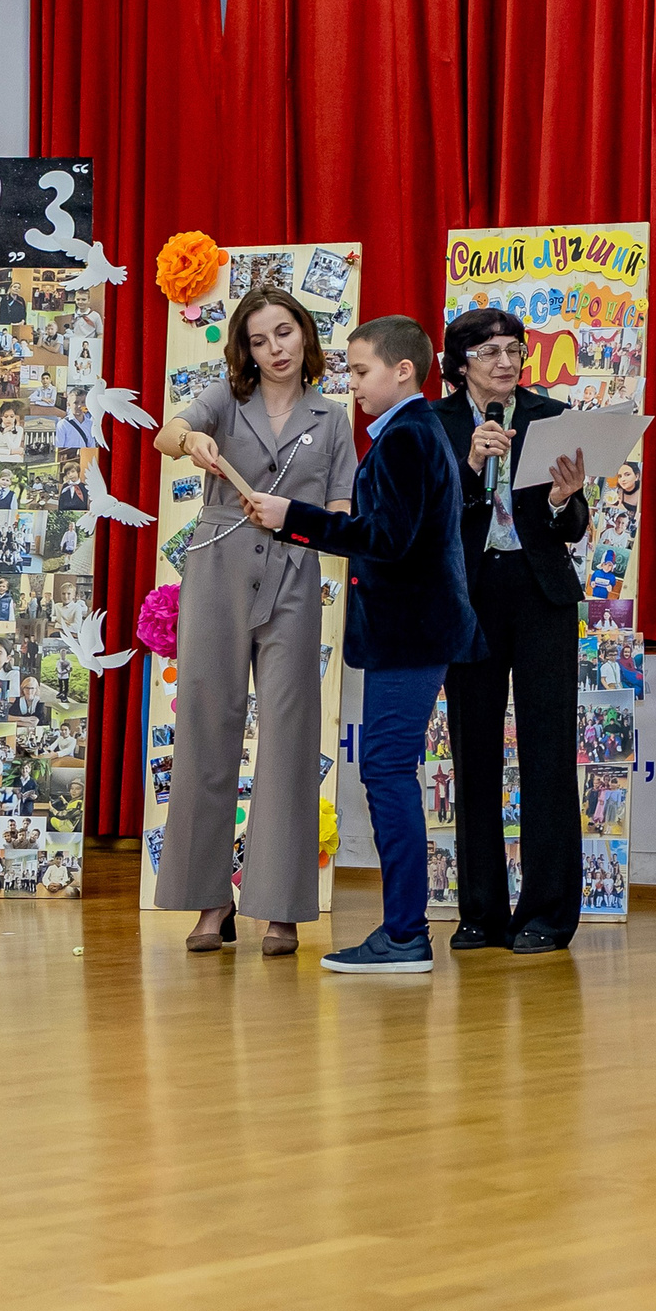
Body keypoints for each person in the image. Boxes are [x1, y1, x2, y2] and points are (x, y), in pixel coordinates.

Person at [247, 314, 484, 976]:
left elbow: (386, 540)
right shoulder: (413, 432)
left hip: (410, 633)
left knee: (385, 772)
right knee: (387, 771)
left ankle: (405, 934)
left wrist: (293, 518)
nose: (350, 384)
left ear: (403, 371)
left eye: (359, 371)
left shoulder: (407, 437)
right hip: (414, 631)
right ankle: (403, 930)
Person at [149, 290, 355, 956]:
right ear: (245, 349)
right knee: (207, 723)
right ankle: (211, 899)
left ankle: (279, 904)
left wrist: (296, 517)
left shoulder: (332, 417)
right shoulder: (224, 400)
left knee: (290, 736)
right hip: (217, 566)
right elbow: (166, 435)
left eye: (285, 332)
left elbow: (342, 513)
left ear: (305, 334)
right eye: (260, 339)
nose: (275, 349)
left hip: (294, 574)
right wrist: (193, 440)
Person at [433, 308, 592, 956]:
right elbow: (428, 518)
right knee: (472, 751)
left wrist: (562, 498)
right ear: (460, 363)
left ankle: (547, 913)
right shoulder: (436, 423)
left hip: (539, 594)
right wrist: (471, 464)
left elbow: (573, 525)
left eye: (514, 350)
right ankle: (481, 912)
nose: (505, 362)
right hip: (469, 597)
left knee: (548, 750)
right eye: (489, 351)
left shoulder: (552, 416)